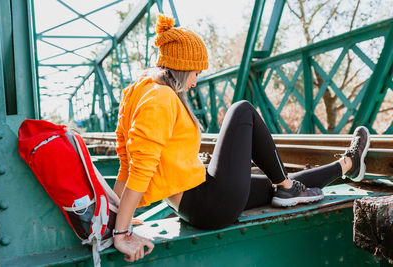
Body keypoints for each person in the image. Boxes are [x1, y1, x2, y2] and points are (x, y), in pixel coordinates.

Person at [112, 14, 371, 263]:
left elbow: (125, 161)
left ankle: (348, 164)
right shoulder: (160, 97)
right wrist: (121, 232)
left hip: (197, 200)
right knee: (242, 109)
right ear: (182, 69)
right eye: (195, 73)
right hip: (206, 203)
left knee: (277, 190)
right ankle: (286, 184)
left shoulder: (137, 92)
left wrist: (117, 214)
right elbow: (140, 167)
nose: (194, 82)